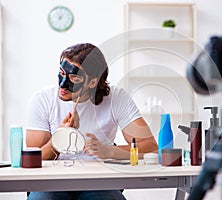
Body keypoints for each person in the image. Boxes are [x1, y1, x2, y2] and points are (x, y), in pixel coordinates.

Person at [26, 43, 158, 200]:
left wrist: (108, 151)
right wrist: (59, 138)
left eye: (74, 78)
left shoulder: (116, 98)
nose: (63, 84)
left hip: (99, 183)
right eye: (61, 73)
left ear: (92, 83)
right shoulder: (43, 99)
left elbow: (150, 148)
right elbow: (32, 161)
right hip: (50, 183)